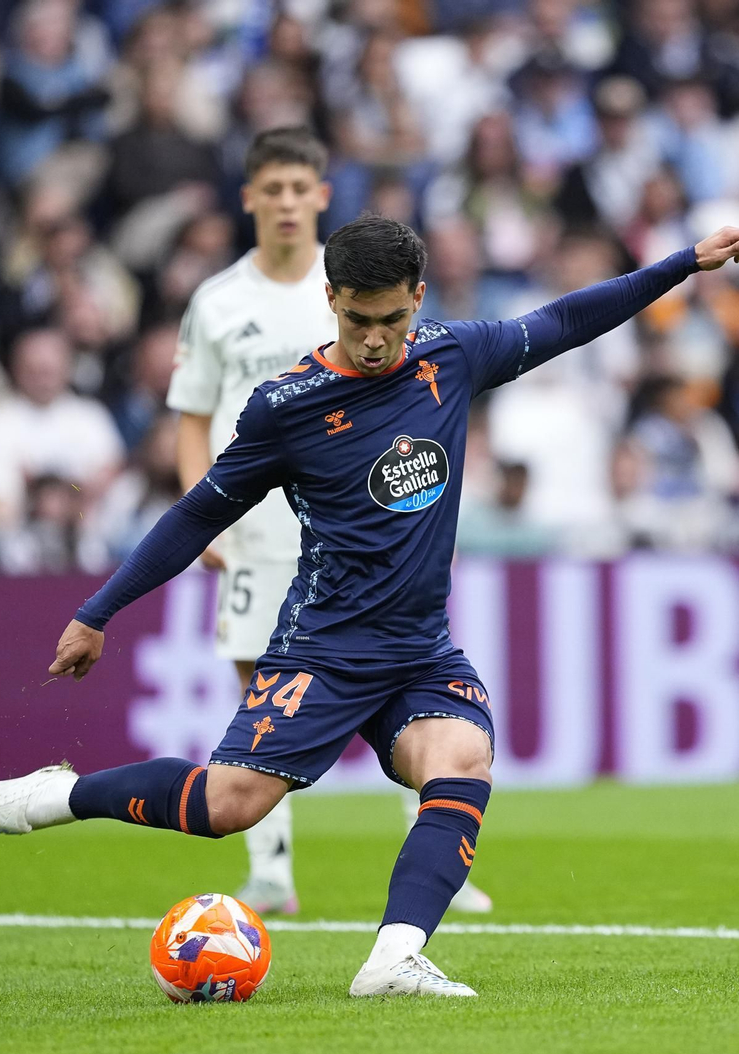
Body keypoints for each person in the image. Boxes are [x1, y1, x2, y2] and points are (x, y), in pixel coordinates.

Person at [0, 214, 739, 997]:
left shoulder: (453, 357)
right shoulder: (286, 407)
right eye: (361, 319)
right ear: (331, 299)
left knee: (462, 759)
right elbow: (198, 513)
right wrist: (98, 611)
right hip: (322, 649)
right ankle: (51, 796)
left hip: (418, 649)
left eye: (394, 319)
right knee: (228, 808)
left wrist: (684, 262)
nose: (377, 339)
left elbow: (568, 318)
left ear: (420, 298)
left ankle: (395, 959)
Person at [165, 126, 493, 918]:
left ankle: (432, 842)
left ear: (320, 194)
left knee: (404, 688)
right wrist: (201, 514)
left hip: (362, 530)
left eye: (297, 188)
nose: (284, 202)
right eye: (269, 188)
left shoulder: (359, 274)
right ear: (248, 198)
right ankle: (270, 866)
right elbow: (192, 416)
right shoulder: (218, 302)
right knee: (259, 688)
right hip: (254, 528)